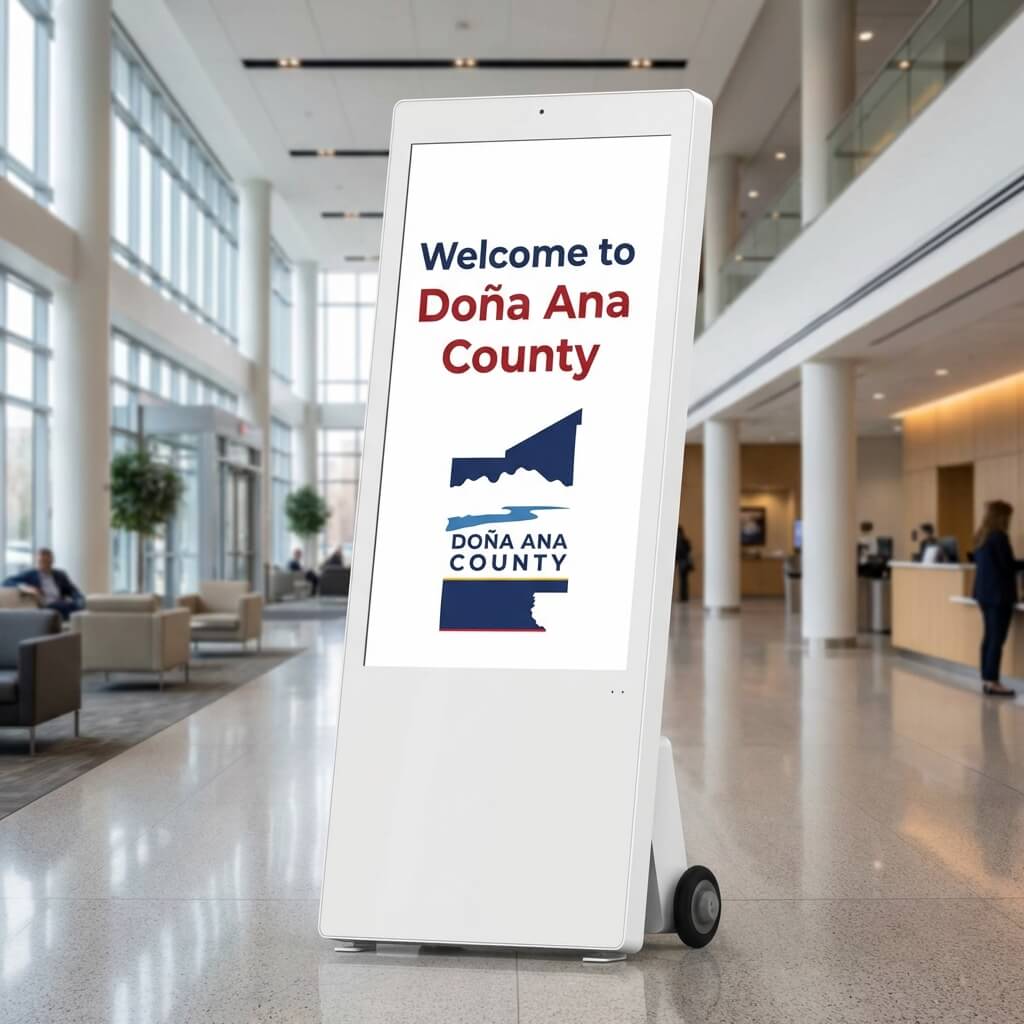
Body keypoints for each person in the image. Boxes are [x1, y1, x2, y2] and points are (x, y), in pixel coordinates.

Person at [971, 500, 1024, 697]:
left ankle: (987, 678)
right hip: (998, 597)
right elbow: (1007, 565)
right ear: (1002, 517)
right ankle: (993, 682)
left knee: (989, 637)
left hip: (984, 594)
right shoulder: (999, 537)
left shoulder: (981, 537)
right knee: (996, 639)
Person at [4, 547, 84, 621]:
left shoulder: (60, 574)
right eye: (41, 561)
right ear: (37, 561)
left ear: (52, 561)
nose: (43, 564)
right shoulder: (31, 574)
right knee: (67, 609)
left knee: (76, 606)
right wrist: (26, 587)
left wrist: (79, 600)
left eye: (46, 561)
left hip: (61, 604)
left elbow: (73, 591)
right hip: (45, 606)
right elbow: (6, 581)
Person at [675, 526, 693, 602]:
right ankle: (684, 597)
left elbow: (680, 552)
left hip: (682, 563)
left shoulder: (680, 541)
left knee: (683, 581)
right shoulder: (685, 541)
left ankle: (683, 597)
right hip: (683, 562)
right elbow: (689, 551)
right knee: (684, 581)